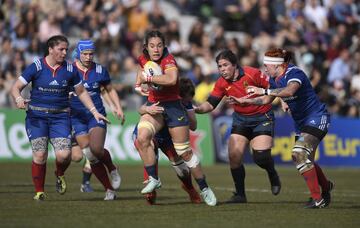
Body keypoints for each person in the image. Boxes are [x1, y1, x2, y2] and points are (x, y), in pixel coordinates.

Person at [231, 48, 334, 209]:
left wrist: (264, 90)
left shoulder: (294, 73)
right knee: (306, 160)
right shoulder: (274, 79)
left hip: (317, 117)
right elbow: (266, 99)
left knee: (298, 154)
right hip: (301, 123)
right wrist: (246, 101)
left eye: (267, 65)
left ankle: (317, 199)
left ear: (277, 65)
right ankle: (325, 188)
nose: (265, 68)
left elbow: (290, 90)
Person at [10, 35, 108, 201]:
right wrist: (18, 98)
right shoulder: (37, 66)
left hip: (60, 117)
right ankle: (39, 192)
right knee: (40, 155)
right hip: (37, 117)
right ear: (50, 49)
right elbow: (16, 87)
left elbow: (81, 92)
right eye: (61, 49)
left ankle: (60, 173)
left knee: (64, 156)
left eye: (66, 49)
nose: (64, 53)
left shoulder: (70, 70)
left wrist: (94, 111)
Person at [135, 30, 216, 206]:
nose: (156, 49)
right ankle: (153, 178)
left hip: (172, 107)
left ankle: (204, 188)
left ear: (164, 46)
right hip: (155, 106)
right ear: (146, 47)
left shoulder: (169, 60)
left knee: (184, 152)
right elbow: (141, 71)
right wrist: (138, 85)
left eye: (159, 45)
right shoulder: (143, 58)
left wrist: (147, 78)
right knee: (141, 138)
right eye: (152, 46)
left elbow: (171, 80)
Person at [194, 49, 281, 203]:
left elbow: (272, 88)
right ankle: (240, 195)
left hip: (262, 117)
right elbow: (211, 104)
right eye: (219, 66)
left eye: (225, 65)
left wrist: (273, 100)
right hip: (241, 119)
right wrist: (197, 109)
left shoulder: (252, 73)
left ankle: (272, 173)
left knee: (260, 157)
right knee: (234, 156)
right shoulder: (221, 82)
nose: (222, 69)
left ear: (234, 65)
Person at [70, 39, 124, 200]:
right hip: (77, 118)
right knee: (89, 155)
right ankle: (109, 189)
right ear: (78, 54)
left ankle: (112, 168)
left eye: (91, 54)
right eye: (85, 54)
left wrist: (117, 107)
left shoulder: (100, 70)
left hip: (97, 115)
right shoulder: (69, 70)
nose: (88, 57)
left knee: (96, 149)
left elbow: (109, 89)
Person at [134, 77, 201, 205]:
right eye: (187, 98)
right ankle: (151, 190)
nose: (188, 101)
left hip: (167, 137)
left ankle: (190, 189)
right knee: (148, 151)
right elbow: (140, 109)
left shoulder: (185, 104)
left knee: (181, 169)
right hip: (151, 133)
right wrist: (147, 109)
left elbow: (193, 126)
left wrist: (189, 109)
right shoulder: (161, 96)